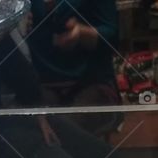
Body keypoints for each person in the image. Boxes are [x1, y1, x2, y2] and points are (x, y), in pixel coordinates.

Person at [27, 0, 120, 129]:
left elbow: (113, 36)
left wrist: (82, 34)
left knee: (66, 131)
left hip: (92, 82)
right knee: (23, 128)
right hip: (41, 84)